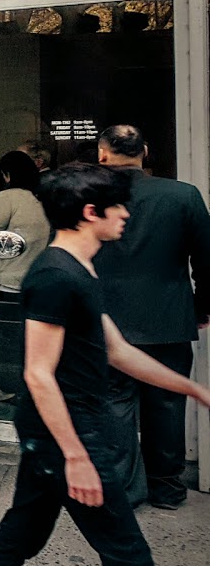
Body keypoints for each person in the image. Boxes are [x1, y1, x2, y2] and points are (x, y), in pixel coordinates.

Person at [0, 164, 210, 566]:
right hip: (67, 433)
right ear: (91, 212)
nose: (127, 216)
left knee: (17, 539)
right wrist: (75, 457)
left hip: (58, 432)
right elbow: (38, 373)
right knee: (128, 553)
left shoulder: (81, 268)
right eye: (118, 208)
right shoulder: (55, 276)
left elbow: (118, 350)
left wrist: (196, 390)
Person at [93, 124, 210, 509]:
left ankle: (124, 490)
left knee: (113, 406)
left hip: (106, 319)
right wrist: (201, 308)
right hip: (169, 317)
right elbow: (206, 261)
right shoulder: (183, 195)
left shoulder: (89, 197)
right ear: (145, 152)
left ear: (103, 154)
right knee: (167, 405)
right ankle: (167, 488)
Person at [0, 150, 50, 407]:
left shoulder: (8, 196)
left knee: (6, 341)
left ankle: (6, 388)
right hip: (37, 280)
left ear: (6, 175)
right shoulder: (41, 197)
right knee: (31, 340)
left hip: (9, 280)